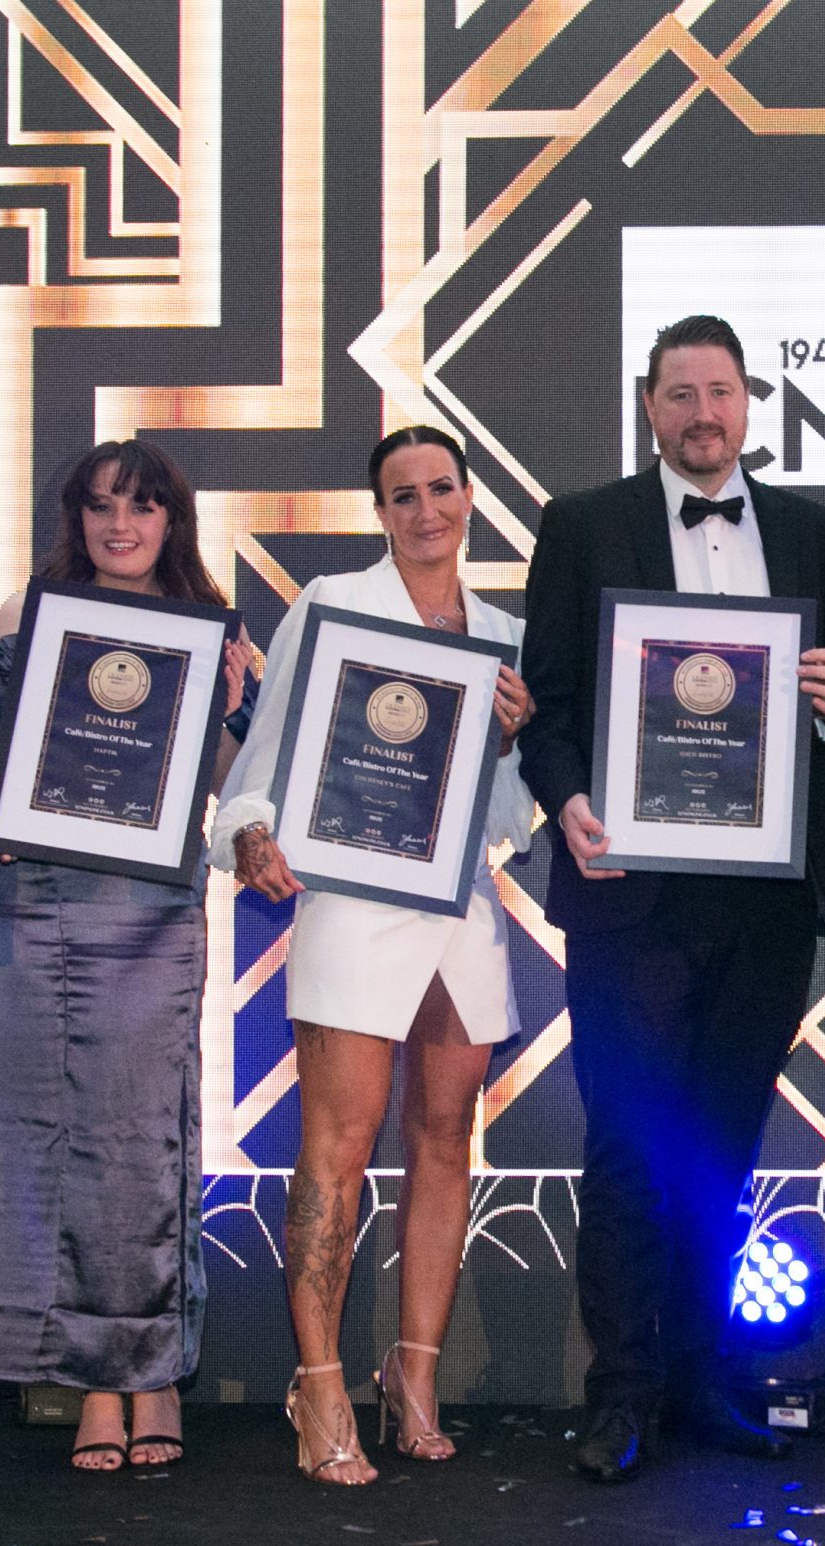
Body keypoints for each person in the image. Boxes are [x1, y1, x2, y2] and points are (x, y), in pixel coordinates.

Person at [518, 314, 825, 1484]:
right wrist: (569, 801)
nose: (702, 413)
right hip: (631, 894)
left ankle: (706, 1385)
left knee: (720, 1151)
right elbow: (549, 707)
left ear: (749, 403)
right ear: (649, 407)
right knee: (626, 1149)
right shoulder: (583, 525)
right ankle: (620, 1394)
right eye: (680, 394)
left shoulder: (813, 534)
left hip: (764, 903)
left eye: (719, 392)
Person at [212, 426, 537, 1485]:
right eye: (404, 495)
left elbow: (511, 814)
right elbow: (263, 763)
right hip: (352, 905)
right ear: (379, 512)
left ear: (470, 499)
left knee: (444, 1139)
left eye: (441, 488)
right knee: (336, 1150)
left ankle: (414, 1375)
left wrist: (513, 736)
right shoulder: (332, 605)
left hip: (460, 907)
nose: (426, 510)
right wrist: (252, 832)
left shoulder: (505, 635)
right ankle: (318, 1386)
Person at [0, 440, 254, 1473]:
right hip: (35, 903)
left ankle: (153, 1374)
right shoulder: (24, 616)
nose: (119, 526)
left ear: (172, 520)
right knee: (40, 1142)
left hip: (147, 908)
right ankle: (88, 1382)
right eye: (99, 507)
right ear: (74, 518)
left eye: (141, 506)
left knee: (143, 1141)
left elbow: (226, 782)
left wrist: (228, 704)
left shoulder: (219, 633)